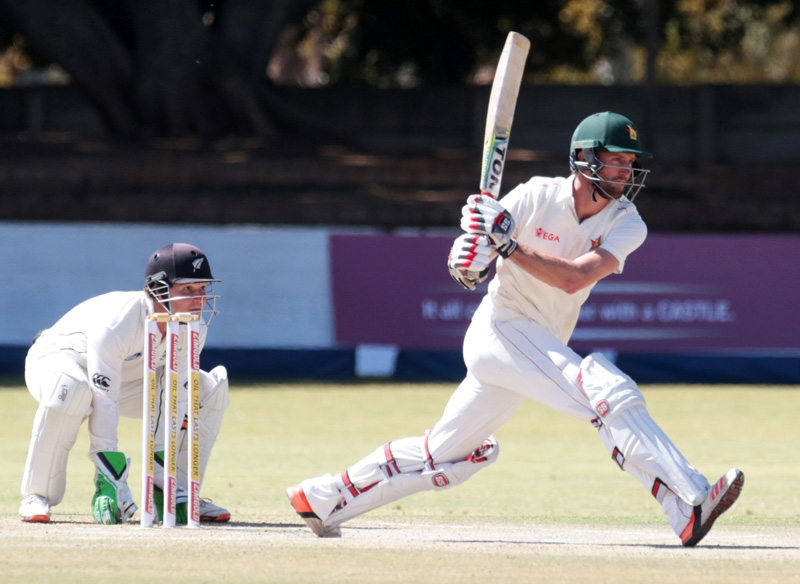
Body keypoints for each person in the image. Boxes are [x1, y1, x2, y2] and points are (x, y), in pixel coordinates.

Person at [286, 112, 744, 547]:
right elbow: (469, 261)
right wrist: (469, 257)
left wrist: (508, 243)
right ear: (585, 158)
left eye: (631, 162)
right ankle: (687, 501)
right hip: (500, 330)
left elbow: (574, 277)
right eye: (617, 159)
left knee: (442, 454)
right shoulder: (535, 195)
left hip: (533, 347)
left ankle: (323, 498)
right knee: (606, 389)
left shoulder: (628, 223)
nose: (627, 171)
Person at [19, 243, 231, 525]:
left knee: (206, 390)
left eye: (202, 289)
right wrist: (110, 474)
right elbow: (103, 399)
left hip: (128, 379)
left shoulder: (194, 327)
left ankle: (173, 490)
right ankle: (37, 496)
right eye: (188, 289)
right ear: (157, 289)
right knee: (71, 388)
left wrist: (159, 471)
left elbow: (178, 394)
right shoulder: (118, 322)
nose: (198, 299)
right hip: (58, 361)